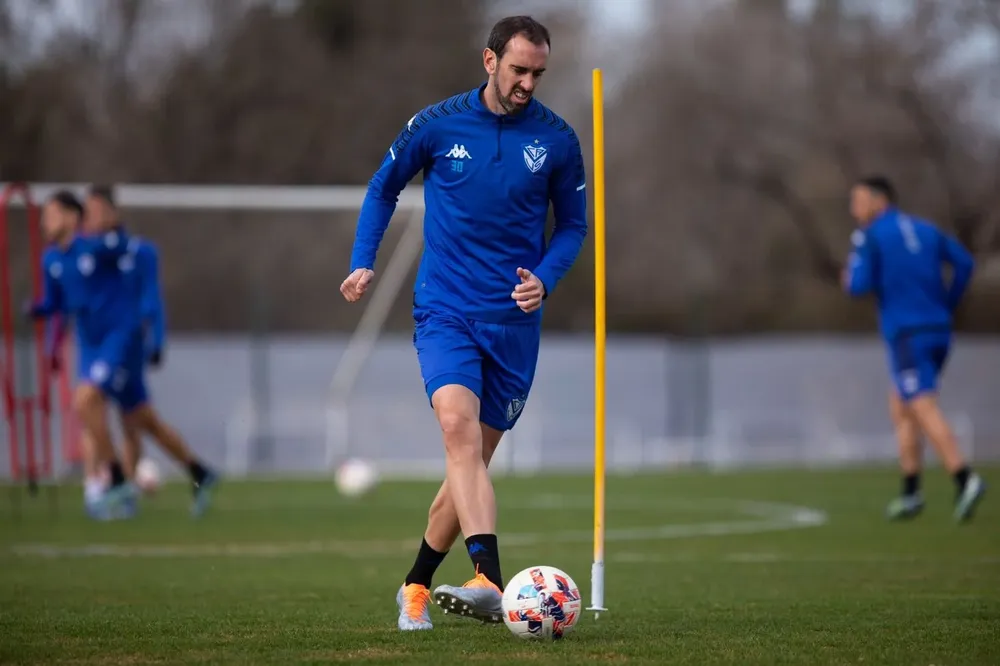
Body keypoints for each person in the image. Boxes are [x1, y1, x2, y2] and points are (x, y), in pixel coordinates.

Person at [342, 15, 587, 631]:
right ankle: (489, 580)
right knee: (458, 434)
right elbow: (382, 187)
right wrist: (362, 263)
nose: (528, 82)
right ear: (489, 61)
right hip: (445, 311)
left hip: (513, 325)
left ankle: (415, 586)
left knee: (467, 467)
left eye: (538, 72)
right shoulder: (436, 125)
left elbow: (574, 226)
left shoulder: (557, 141)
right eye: (518, 69)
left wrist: (545, 278)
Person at [842, 175, 986, 522]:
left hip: (908, 333)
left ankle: (964, 477)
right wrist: (947, 304)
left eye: (859, 200)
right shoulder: (926, 229)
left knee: (921, 404)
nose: (854, 209)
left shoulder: (871, 237)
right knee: (901, 406)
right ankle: (911, 492)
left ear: (879, 201)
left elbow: (858, 286)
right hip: (939, 329)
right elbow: (965, 264)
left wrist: (850, 275)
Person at [82, 185, 219, 518]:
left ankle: (117, 485)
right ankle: (197, 471)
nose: (92, 219)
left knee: (98, 405)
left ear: (114, 212)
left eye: (98, 211)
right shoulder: (91, 252)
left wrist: (156, 340)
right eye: (88, 213)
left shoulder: (139, 251)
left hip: (125, 346)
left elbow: (150, 299)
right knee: (138, 418)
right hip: (96, 345)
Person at [27, 190, 141, 520]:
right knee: (90, 411)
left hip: (115, 336)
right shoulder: (50, 260)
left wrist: (112, 223)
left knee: (88, 401)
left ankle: (116, 476)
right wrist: (38, 313)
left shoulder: (92, 246)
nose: (45, 222)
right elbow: (56, 305)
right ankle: (112, 481)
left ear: (71, 217)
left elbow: (123, 247)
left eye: (51, 214)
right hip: (88, 342)